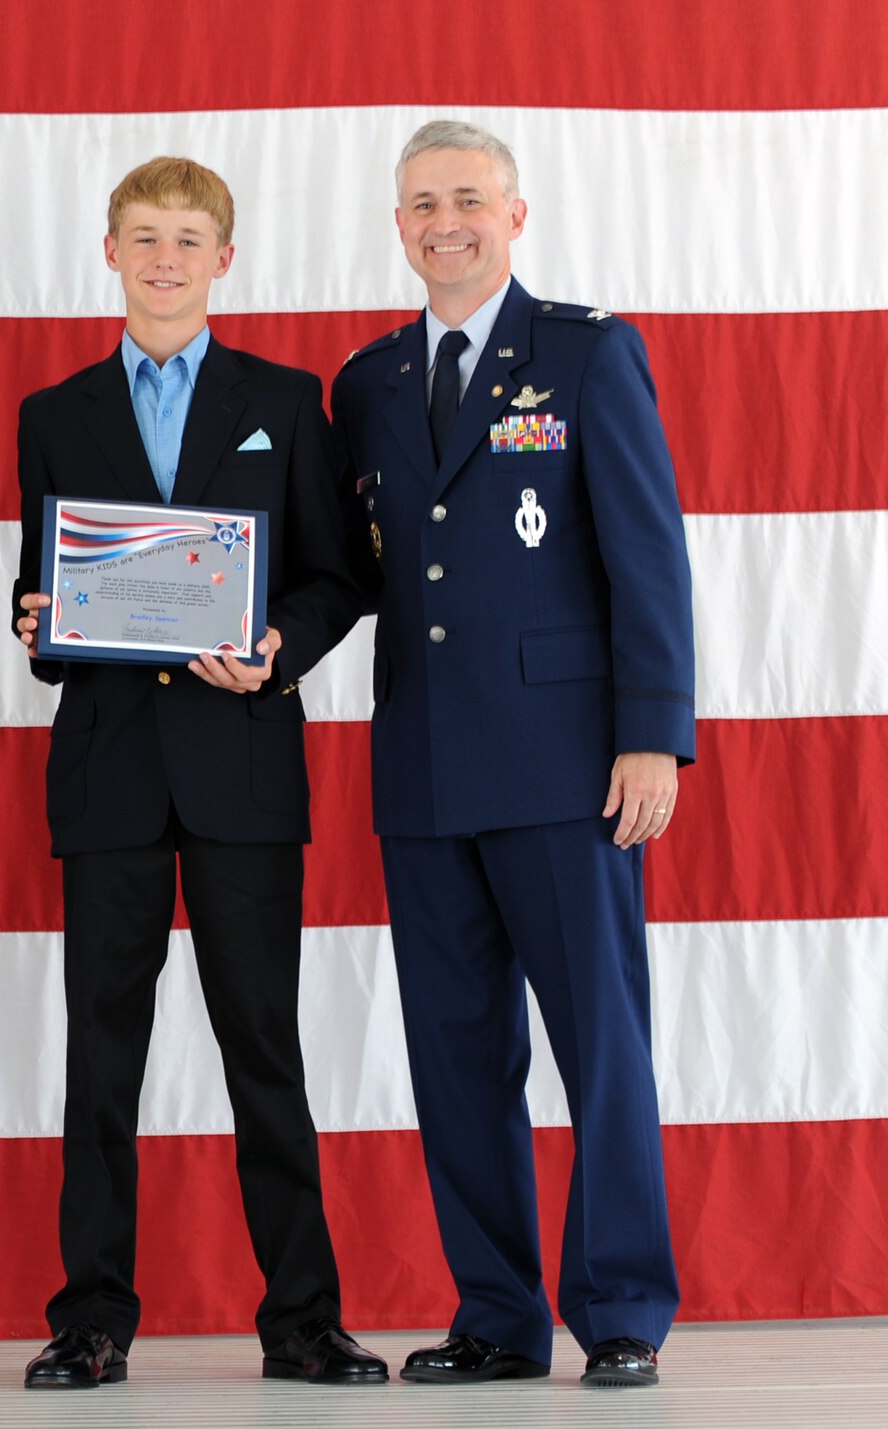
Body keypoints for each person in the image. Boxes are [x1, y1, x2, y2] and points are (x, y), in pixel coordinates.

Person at [329, 120, 694, 1389]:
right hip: (423, 768)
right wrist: (255, 634)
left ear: (514, 215)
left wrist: (651, 735)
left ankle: (619, 1309)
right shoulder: (367, 383)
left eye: (469, 199)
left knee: (600, 1042)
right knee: (454, 1053)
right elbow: (350, 568)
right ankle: (495, 1313)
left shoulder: (587, 355)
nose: (447, 221)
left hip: (563, 763)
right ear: (396, 223)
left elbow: (647, 556)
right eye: (423, 202)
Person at [12, 157, 383, 1389]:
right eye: (142, 237)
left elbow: (337, 578)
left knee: (261, 1050)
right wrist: (39, 625)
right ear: (106, 250)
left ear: (223, 257)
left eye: (187, 239)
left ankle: (301, 1319)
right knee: (98, 1060)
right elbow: (49, 608)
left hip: (240, 770)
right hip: (110, 771)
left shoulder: (284, 397)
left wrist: (277, 649)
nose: (164, 259)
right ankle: (91, 1318)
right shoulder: (53, 413)